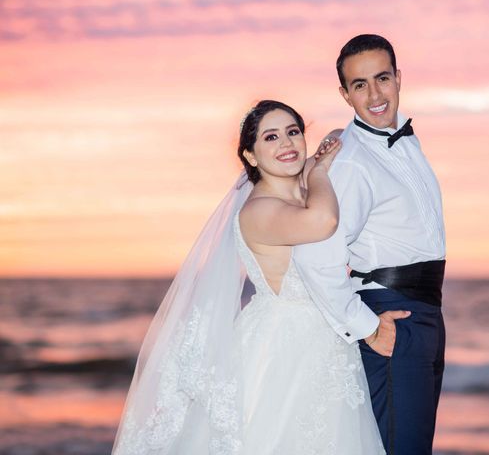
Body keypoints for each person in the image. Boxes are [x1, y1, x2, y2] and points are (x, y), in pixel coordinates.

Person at [111, 100, 385, 454]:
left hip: (323, 346)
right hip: (285, 350)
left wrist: (319, 156)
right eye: (270, 137)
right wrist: (317, 170)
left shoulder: (299, 192)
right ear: (251, 157)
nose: (286, 144)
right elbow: (324, 222)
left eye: (293, 132)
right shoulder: (259, 209)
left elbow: (337, 136)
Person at [293, 34, 447, 454]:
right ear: (345, 94)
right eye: (360, 85)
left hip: (427, 313)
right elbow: (314, 255)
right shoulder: (352, 163)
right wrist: (367, 328)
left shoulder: (403, 140)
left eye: (382, 78)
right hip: (392, 316)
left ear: (399, 78)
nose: (375, 94)